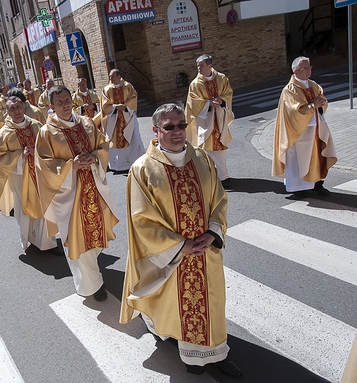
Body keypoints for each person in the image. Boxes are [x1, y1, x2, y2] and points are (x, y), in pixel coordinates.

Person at [120, 103, 241, 377]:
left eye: (181, 125)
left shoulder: (202, 159)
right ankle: (193, 358)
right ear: (155, 130)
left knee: (211, 302)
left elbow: (219, 200)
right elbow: (142, 219)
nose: (177, 132)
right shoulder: (142, 169)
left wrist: (212, 233)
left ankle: (218, 353)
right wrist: (181, 245)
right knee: (180, 306)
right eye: (169, 127)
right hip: (175, 255)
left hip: (206, 250)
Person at [35, 85, 119, 301]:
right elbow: (44, 165)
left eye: (67, 100)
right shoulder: (47, 132)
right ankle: (92, 285)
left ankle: (93, 272)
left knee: (94, 235)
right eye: (59, 102)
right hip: (68, 195)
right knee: (77, 240)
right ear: (51, 106)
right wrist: (70, 166)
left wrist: (95, 157)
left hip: (93, 188)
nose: (65, 105)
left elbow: (103, 145)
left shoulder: (87, 123)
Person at [0, 95, 58, 252]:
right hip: (20, 176)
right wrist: (19, 156)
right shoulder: (4, 134)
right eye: (12, 108)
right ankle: (29, 238)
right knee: (24, 207)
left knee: (45, 204)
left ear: (24, 107)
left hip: (39, 173)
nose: (16, 111)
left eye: (19, 107)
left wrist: (40, 152)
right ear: (7, 111)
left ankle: (49, 242)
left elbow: (49, 145)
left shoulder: (36, 125)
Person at [272, 56, 337, 197]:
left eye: (309, 67)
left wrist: (321, 103)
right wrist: (313, 105)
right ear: (295, 71)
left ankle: (317, 184)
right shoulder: (289, 90)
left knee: (319, 156)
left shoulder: (314, 85)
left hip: (317, 128)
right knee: (298, 160)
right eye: (305, 68)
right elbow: (293, 111)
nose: (309, 70)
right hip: (299, 133)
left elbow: (322, 101)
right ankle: (298, 189)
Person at [185, 54, 234, 189]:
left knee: (220, 147)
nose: (198, 68)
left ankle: (223, 176)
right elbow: (192, 103)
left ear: (210, 66)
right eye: (197, 65)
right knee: (207, 148)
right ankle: (212, 176)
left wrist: (221, 100)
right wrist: (208, 104)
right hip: (205, 121)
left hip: (219, 118)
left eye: (201, 65)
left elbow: (228, 93)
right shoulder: (195, 84)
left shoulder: (222, 78)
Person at [101, 69, 145, 172]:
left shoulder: (128, 86)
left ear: (119, 76)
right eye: (109, 76)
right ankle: (117, 166)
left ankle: (134, 162)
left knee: (133, 137)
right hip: (114, 119)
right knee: (114, 140)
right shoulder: (106, 89)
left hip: (127, 117)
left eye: (112, 76)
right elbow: (104, 104)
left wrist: (125, 107)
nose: (110, 78)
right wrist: (115, 107)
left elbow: (134, 97)